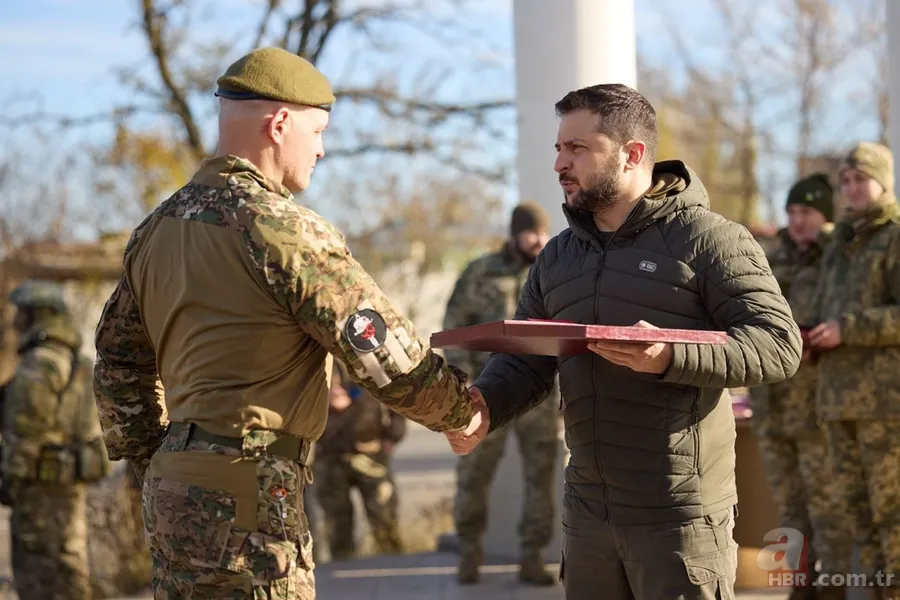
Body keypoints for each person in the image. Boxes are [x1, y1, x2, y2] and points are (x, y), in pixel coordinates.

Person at [92, 46, 480, 599]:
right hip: (252, 496)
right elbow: (377, 347)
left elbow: (117, 360)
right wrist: (459, 411)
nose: (321, 149)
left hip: (173, 486)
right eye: (317, 131)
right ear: (279, 125)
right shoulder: (282, 229)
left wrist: (152, 458)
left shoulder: (155, 230)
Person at [445, 83, 802, 600]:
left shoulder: (711, 239)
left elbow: (778, 344)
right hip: (587, 514)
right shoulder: (558, 257)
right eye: (558, 148)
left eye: (578, 149)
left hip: (679, 518)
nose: (559, 164)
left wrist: (673, 356)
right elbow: (527, 359)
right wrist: (485, 407)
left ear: (633, 155)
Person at [442, 202, 560, 586]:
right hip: (483, 394)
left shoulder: (552, 271)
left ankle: (532, 557)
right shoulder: (480, 272)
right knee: (474, 475)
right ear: (514, 233)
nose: (539, 240)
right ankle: (470, 552)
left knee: (540, 477)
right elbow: (454, 326)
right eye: (531, 233)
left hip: (537, 398)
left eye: (543, 232)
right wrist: (466, 381)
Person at [749, 174, 851, 600]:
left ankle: (834, 591)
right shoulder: (771, 260)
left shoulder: (838, 260)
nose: (798, 221)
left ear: (825, 216)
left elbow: (846, 320)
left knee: (827, 509)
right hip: (773, 407)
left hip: (817, 408)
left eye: (807, 212)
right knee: (790, 510)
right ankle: (800, 588)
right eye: (792, 212)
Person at [808, 142, 900, 600]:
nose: (850, 188)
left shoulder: (895, 235)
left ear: (883, 181)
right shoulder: (839, 243)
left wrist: (849, 328)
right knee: (859, 517)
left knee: (894, 519)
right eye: (845, 181)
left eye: (859, 178)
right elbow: (828, 306)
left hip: (885, 405)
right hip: (836, 399)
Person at [2, 279, 111, 600]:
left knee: (38, 577)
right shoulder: (79, 363)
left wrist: (10, 480)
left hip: (38, 488)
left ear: (39, 314)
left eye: (22, 311)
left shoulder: (39, 365)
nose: (16, 318)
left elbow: (25, 433)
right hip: (70, 485)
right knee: (70, 570)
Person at [314, 360, 406, 560]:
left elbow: (396, 392)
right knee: (337, 524)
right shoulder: (317, 356)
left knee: (384, 518)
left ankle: (394, 568)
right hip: (330, 453)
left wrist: (393, 434)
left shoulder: (366, 350)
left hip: (370, 451)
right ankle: (345, 574)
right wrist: (324, 401)